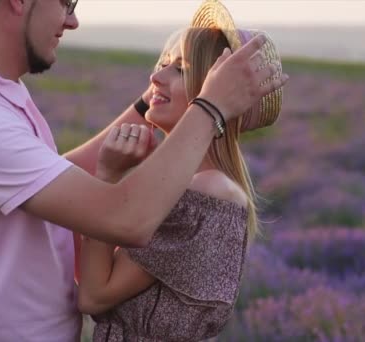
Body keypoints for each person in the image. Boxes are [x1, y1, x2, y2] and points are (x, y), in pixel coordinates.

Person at [0, 0, 288, 340]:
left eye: (179, 69)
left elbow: (51, 178)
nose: (72, 22)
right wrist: (209, 107)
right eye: (66, 2)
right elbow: (124, 219)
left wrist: (155, 100)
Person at [76, 2, 284, 340]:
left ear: (216, 89)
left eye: (181, 70)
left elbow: (94, 296)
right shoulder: (201, 186)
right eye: (161, 65)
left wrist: (108, 177)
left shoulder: (206, 192)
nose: (155, 77)